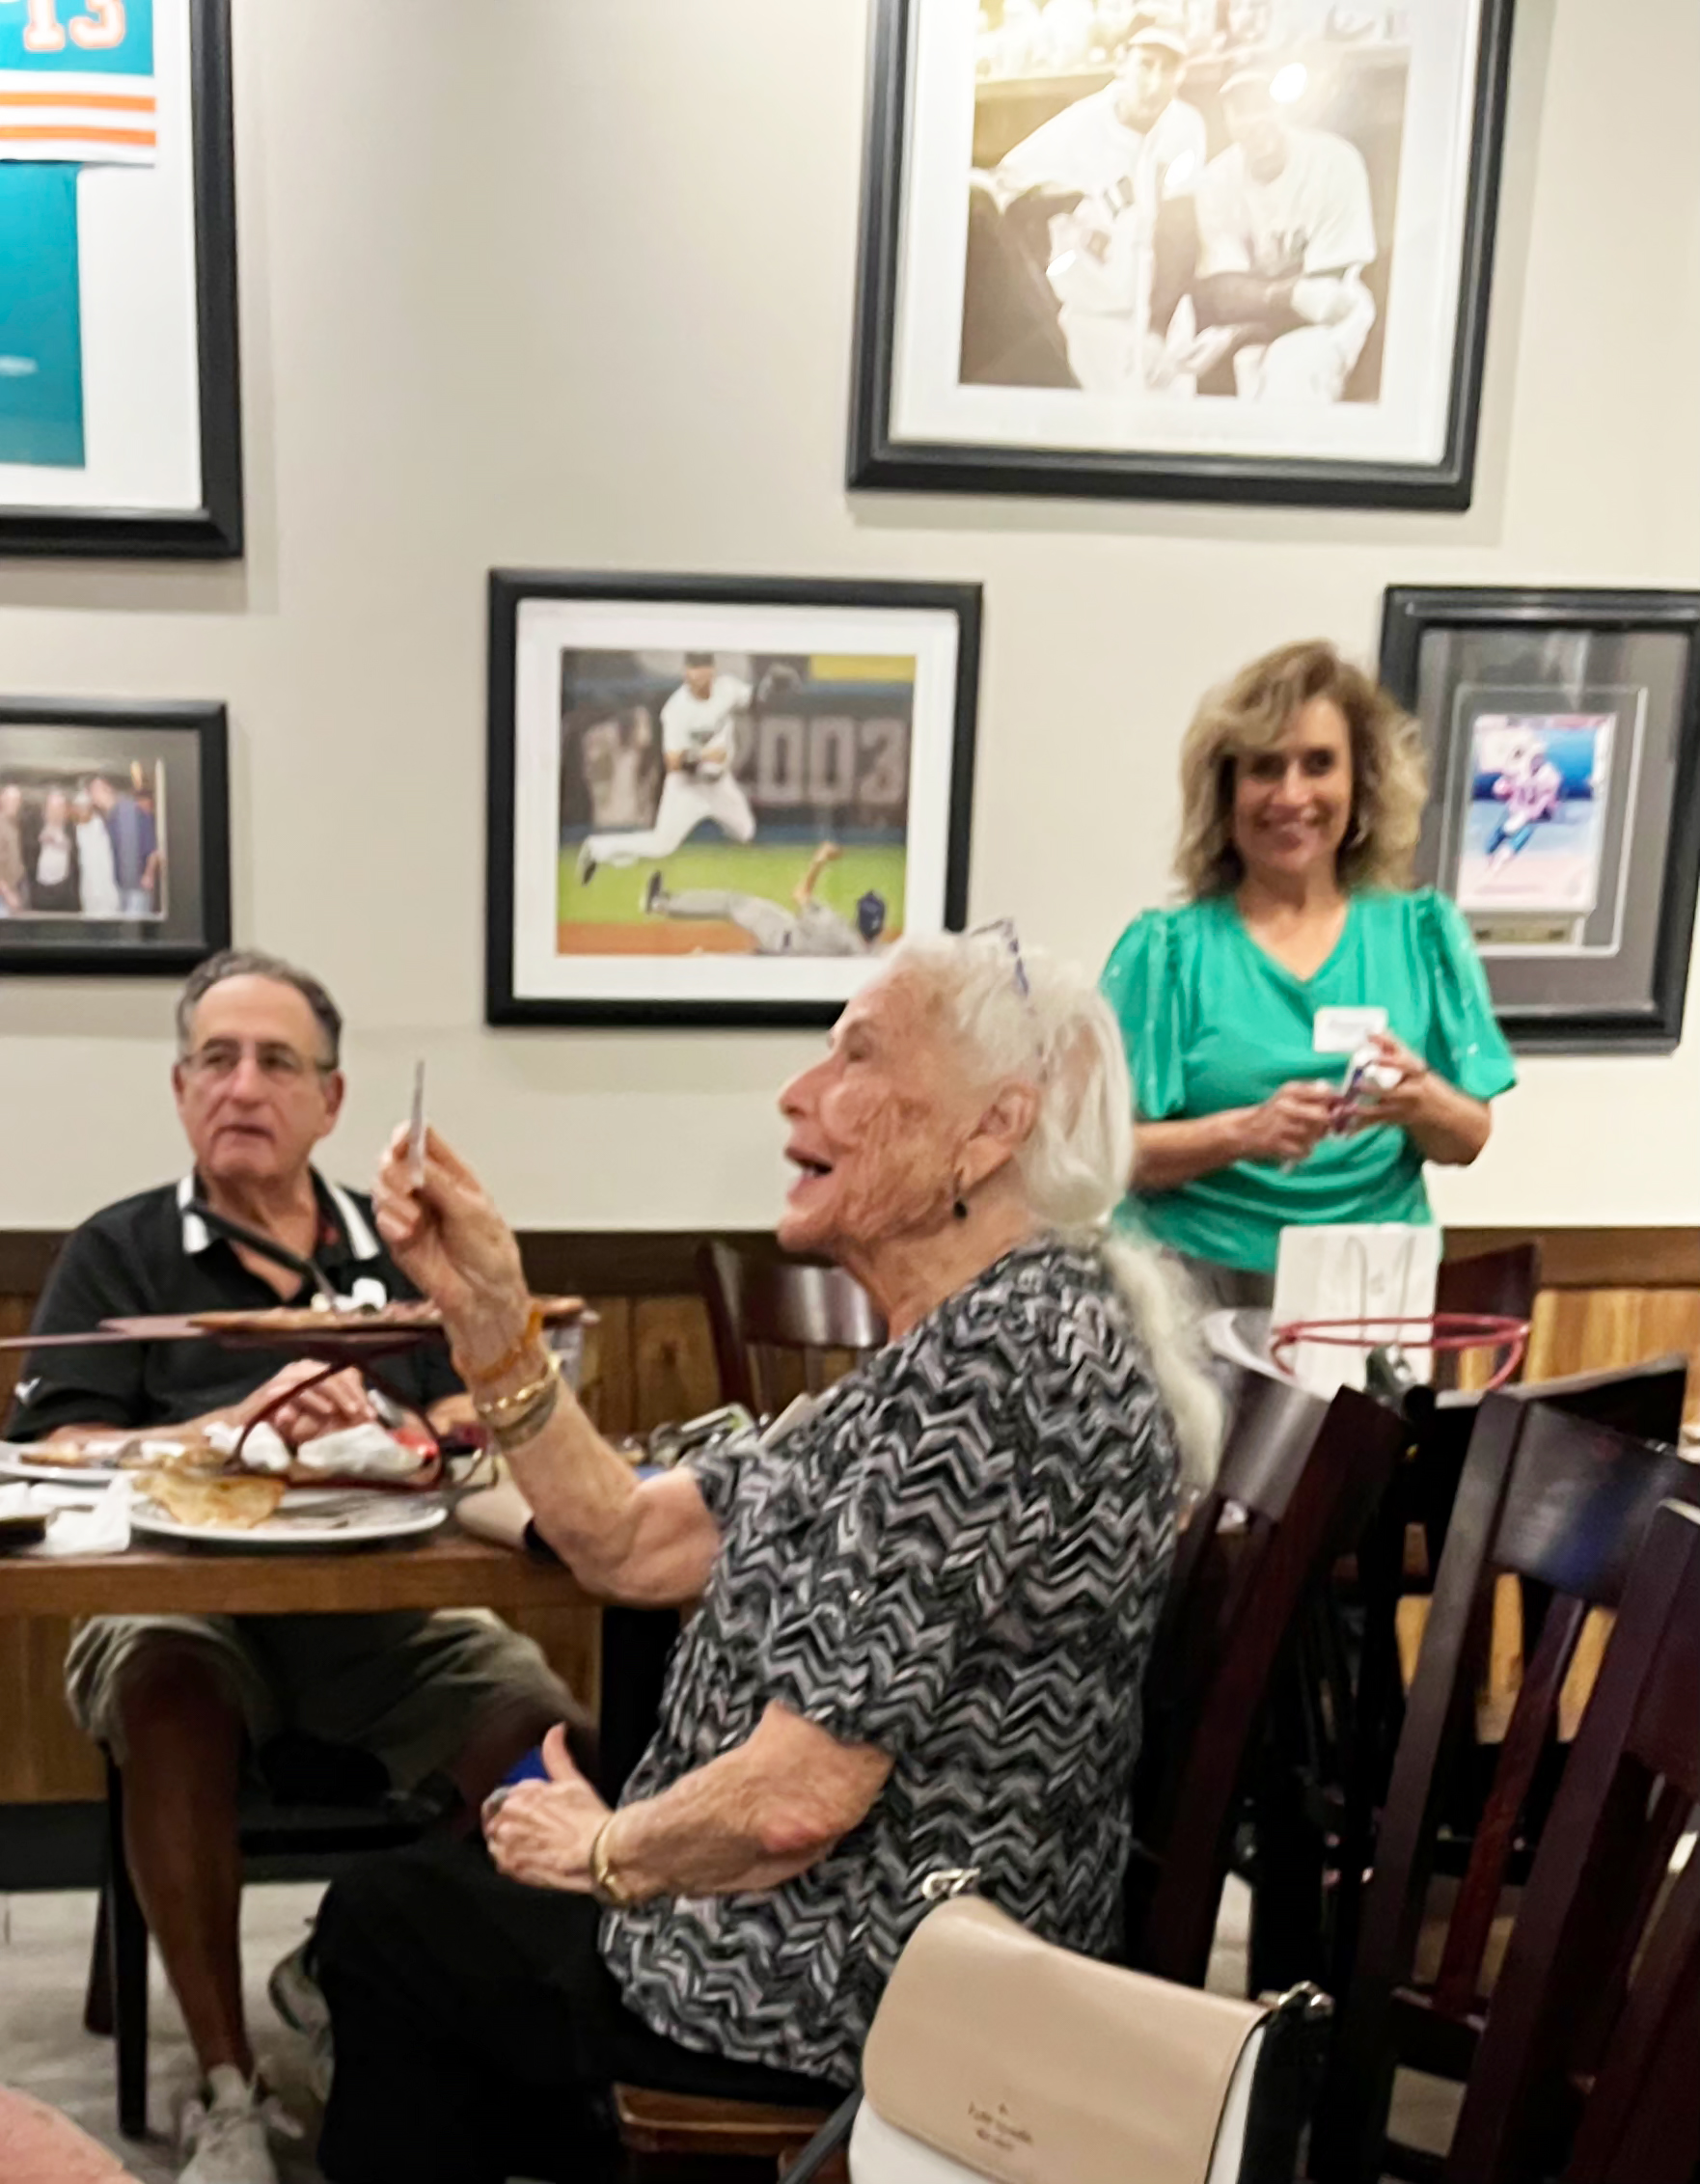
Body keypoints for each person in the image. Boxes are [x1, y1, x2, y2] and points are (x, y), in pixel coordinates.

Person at [307, 929, 1220, 2184]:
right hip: (852, 1942)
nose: (795, 1092)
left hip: (865, 1985)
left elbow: (794, 1804)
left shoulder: (996, 1371)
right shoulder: (968, 1341)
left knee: (387, 1927)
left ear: (990, 1131)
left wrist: (603, 1852)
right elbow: (630, 1539)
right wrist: (485, 1310)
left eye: (856, 1056)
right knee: (443, 1899)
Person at [6, 949, 579, 2184]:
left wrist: (395, 1422)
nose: (242, 1085)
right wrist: (222, 1430)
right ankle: (229, 2085)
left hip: (383, 1609)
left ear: (332, 1098)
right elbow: (52, 1443)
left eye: (276, 1061)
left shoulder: (403, 1248)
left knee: (541, 1725)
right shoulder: (117, 1248)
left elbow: (473, 1420)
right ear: (179, 1088)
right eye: (215, 1059)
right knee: (167, 1694)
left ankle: (347, 1965)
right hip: (177, 1601)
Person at [1100, 640, 1517, 1301]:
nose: (1292, 795)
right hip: (1190, 1291)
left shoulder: (1423, 935)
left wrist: (1422, 1100)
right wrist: (1243, 1133)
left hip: (1370, 1294)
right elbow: (1103, 1153)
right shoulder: (1167, 952)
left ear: (1361, 783)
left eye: (1319, 764)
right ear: (1227, 792)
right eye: (1265, 768)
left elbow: (1467, 1139)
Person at [965, 22, 1206, 389]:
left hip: (1166, 319)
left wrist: (1158, 331)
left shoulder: (1185, 126)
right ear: (1121, 64)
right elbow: (997, 189)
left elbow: (1179, 232)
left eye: (1168, 69)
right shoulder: (1079, 127)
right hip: (1093, 323)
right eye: (1145, 65)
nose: (1155, 83)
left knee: (1172, 418)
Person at [1162, 66, 1377, 403]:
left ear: (1282, 107)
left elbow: (1323, 294)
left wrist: (1248, 315)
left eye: (1262, 105)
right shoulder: (1217, 178)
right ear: (1227, 119)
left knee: (1289, 374)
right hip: (1258, 320)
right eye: (1240, 110)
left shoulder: (1334, 161)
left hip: (1332, 318)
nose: (1254, 121)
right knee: (1185, 377)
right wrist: (1241, 330)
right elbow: (1223, 292)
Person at [577, 654, 757, 879]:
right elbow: (673, 762)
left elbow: (754, 699)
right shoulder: (676, 709)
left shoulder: (727, 689)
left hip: (720, 786)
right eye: (693, 670)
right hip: (687, 788)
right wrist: (705, 757)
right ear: (686, 673)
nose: (697, 675)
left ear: (712, 671)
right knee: (661, 845)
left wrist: (772, 687)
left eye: (702, 669)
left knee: (746, 831)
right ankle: (597, 848)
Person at [644, 839, 887, 956]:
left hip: (781, 936)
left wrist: (819, 861)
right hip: (792, 964)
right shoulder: (867, 955)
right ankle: (700, 963)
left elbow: (800, 894)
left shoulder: (832, 925)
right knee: (745, 963)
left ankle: (660, 903)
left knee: (732, 903)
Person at [1484, 736, 1563, 872]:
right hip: (1516, 807)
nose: (1536, 761)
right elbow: (1504, 785)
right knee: (1502, 829)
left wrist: (1534, 813)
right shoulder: (1519, 770)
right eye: (1534, 757)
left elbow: (1546, 798)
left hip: (1533, 811)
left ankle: (1505, 856)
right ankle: (1490, 853)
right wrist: (1503, 789)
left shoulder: (1549, 775)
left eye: (1539, 757)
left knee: (1524, 832)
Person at [89, 771, 160, 915]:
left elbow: (152, 847)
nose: (93, 797)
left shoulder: (130, 812)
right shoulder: (109, 818)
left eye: (95, 791)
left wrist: (149, 874)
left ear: (107, 789)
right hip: (121, 887)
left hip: (137, 885)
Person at [73, 781, 123, 916]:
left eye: (84, 807)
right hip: (88, 887)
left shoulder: (100, 825)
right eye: (79, 808)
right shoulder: (77, 829)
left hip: (106, 886)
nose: (82, 811)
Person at [28, 783, 80, 911]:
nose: (55, 811)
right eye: (52, 807)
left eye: (59, 807)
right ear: (45, 809)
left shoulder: (72, 828)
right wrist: (40, 840)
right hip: (41, 889)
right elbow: (27, 854)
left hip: (65, 889)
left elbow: (78, 854)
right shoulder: (35, 827)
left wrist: (65, 845)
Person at [0, 779, 26, 915]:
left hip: (13, 888)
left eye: (17, 801)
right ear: (2, 800)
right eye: (10, 800)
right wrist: (7, 894)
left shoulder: (13, 825)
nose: (14, 804)